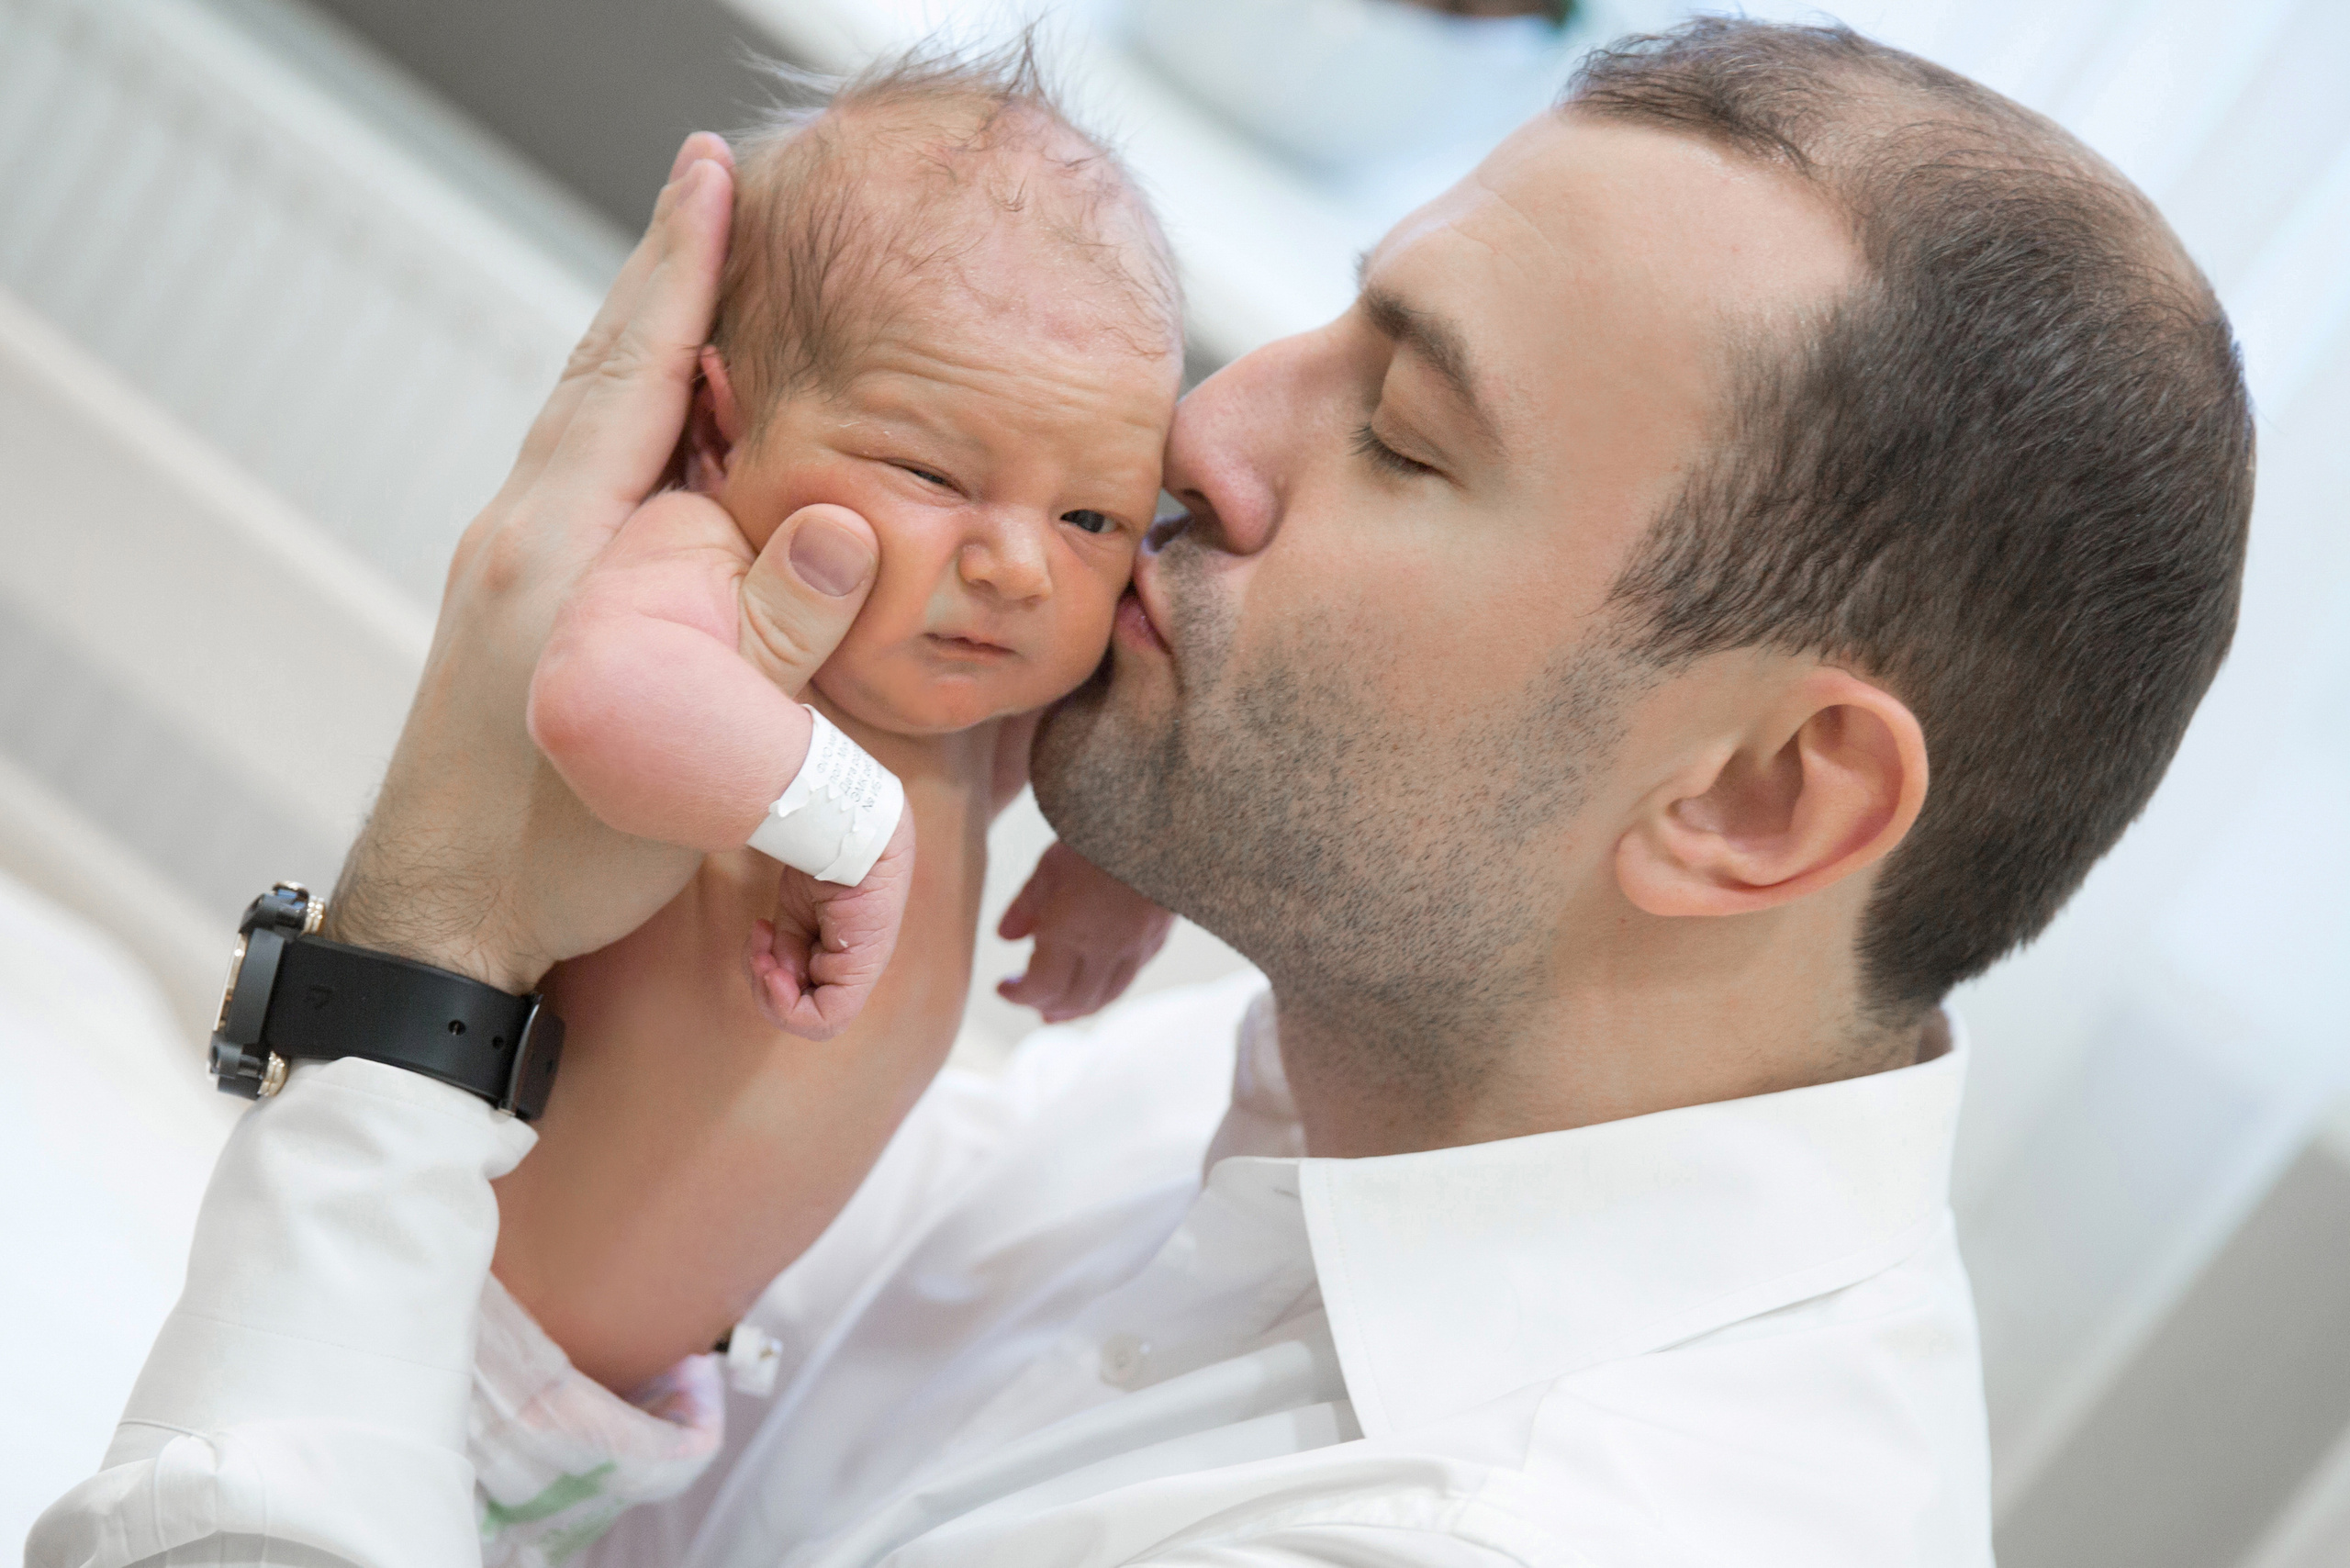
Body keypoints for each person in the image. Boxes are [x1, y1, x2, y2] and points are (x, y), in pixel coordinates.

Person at [32, 17, 2252, 1568]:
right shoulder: (1279, 1070)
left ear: (1757, 800)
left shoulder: (1507, 1523)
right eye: (1320, 324)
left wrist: (418, 954)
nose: (1198, 434)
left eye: (1398, 435)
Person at [507, 50, 1183, 1383]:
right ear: (722, 424)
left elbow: (1163, 696)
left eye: (1090, 515)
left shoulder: (980, 682)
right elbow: (597, 700)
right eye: (933, 471)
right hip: (468, 1325)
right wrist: (849, 824)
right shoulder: (705, 566)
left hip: (647, 1394)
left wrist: (1123, 856)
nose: (1018, 565)